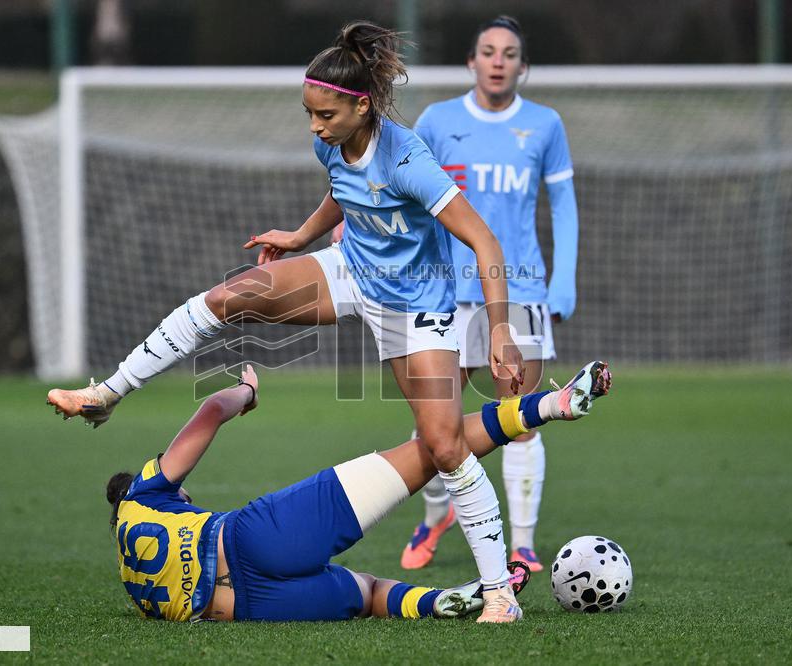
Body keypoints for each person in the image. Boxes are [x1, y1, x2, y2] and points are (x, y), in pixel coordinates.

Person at [49, 21, 528, 621]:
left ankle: (499, 596)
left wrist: (501, 327)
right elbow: (344, 190)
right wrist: (302, 236)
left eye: (325, 115)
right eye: (308, 113)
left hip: (416, 306)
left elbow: (483, 241)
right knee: (229, 296)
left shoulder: (409, 159)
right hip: (350, 270)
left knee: (442, 445)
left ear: (360, 106)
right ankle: (108, 392)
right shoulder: (331, 141)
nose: (314, 126)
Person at [334, 16, 580, 573]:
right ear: (472, 62)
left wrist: (562, 284)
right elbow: (390, 180)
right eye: (488, 51)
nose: (498, 61)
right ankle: (435, 516)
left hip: (517, 290)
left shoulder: (545, 126)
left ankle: (522, 544)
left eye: (510, 53)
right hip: (439, 288)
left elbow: (563, 208)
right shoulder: (438, 121)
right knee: (437, 423)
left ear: (523, 66)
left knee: (519, 414)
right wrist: (356, 221)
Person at [104, 360, 611, 623]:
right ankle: (550, 405)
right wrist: (247, 392)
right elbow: (211, 412)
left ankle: (442, 602)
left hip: (253, 606)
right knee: (428, 452)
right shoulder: (144, 495)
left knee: (367, 593)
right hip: (253, 538)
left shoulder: (133, 585)